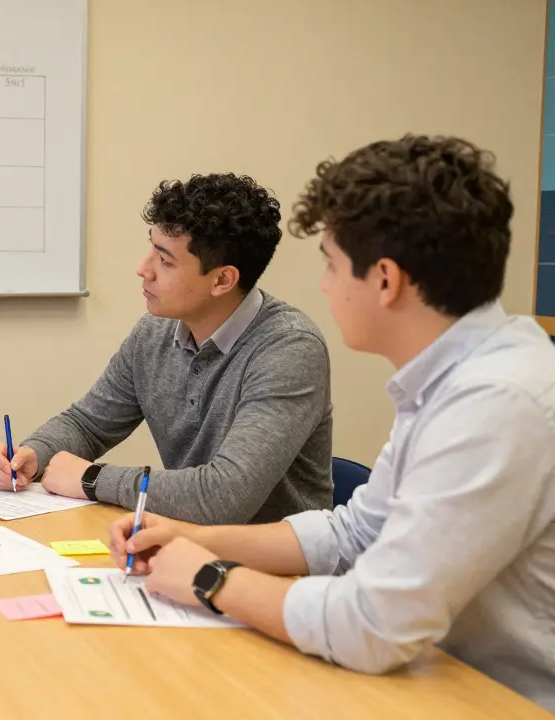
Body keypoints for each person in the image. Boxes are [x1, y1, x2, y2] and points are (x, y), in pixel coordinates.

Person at [109, 136, 555, 711]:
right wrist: (191, 538)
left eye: (331, 265)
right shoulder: (454, 379)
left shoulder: (496, 404)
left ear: (386, 280)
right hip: (439, 674)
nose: (323, 286)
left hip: (504, 698)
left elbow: (372, 625)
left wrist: (211, 578)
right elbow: (354, 535)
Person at [0, 173, 332, 524]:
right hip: (186, 544)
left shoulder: (289, 349)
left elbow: (224, 496)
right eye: (151, 248)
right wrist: (34, 453)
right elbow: (89, 424)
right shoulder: (156, 331)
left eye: (165, 261)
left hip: (276, 570)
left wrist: (90, 478)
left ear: (222, 280)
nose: (143, 269)